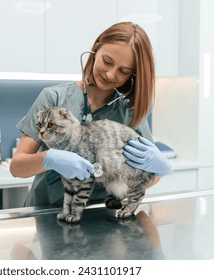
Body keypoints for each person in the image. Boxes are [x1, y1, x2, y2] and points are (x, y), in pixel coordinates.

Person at [10, 22, 171, 208]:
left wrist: (160, 170)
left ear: (132, 76)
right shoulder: (54, 98)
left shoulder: (130, 112)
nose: (111, 74)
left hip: (102, 219)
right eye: (107, 61)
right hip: (44, 215)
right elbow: (17, 168)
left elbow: (143, 178)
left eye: (124, 71)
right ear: (95, 51)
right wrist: (49, 158)